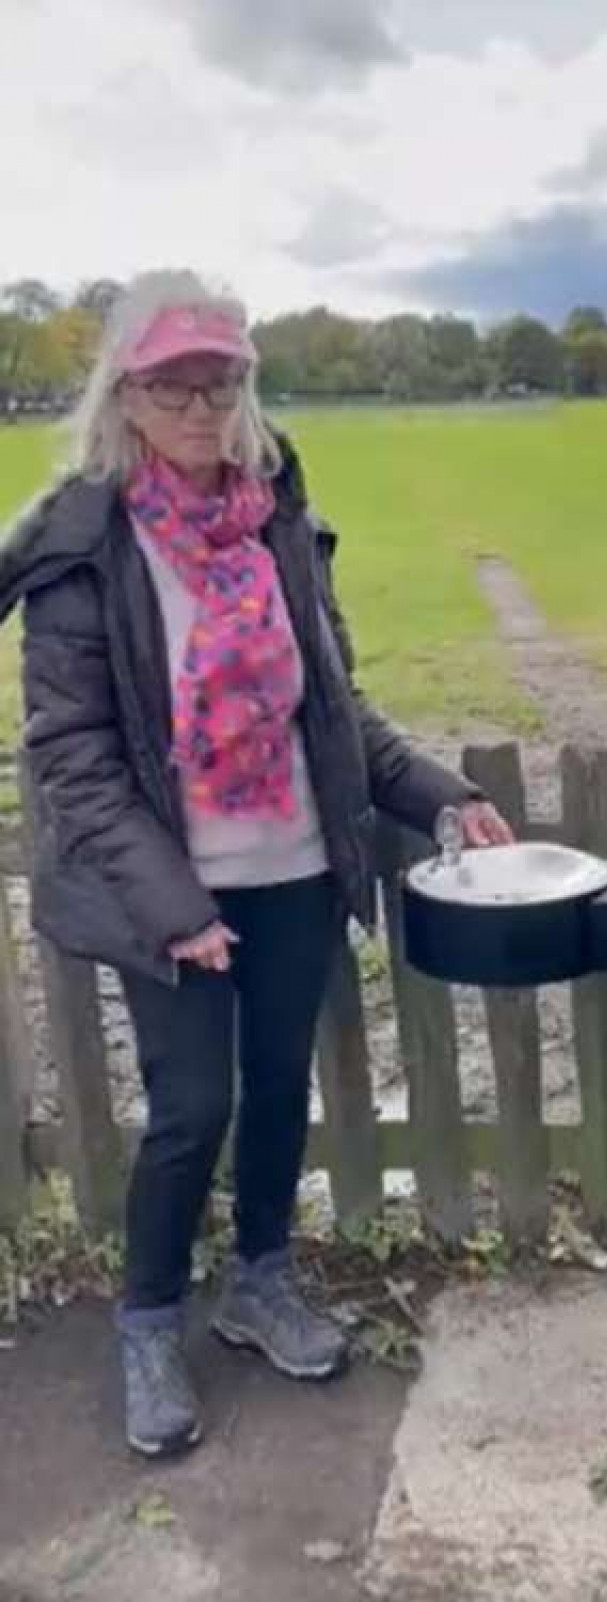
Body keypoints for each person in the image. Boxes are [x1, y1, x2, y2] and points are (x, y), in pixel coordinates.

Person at [0, 270, 512, 1457]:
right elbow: (71, 758)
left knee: (280, 1085)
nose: (198, 405)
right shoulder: (89, 546)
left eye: (219, 380)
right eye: (171, 382)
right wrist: (175, 907)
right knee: (192, 1106)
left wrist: (440, 795)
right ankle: (146, 1321)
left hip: (289, 866)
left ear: (246, 389)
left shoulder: (277, 514)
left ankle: (260, 1278)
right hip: (164, 883)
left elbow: (334, 706)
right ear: (125, 395)